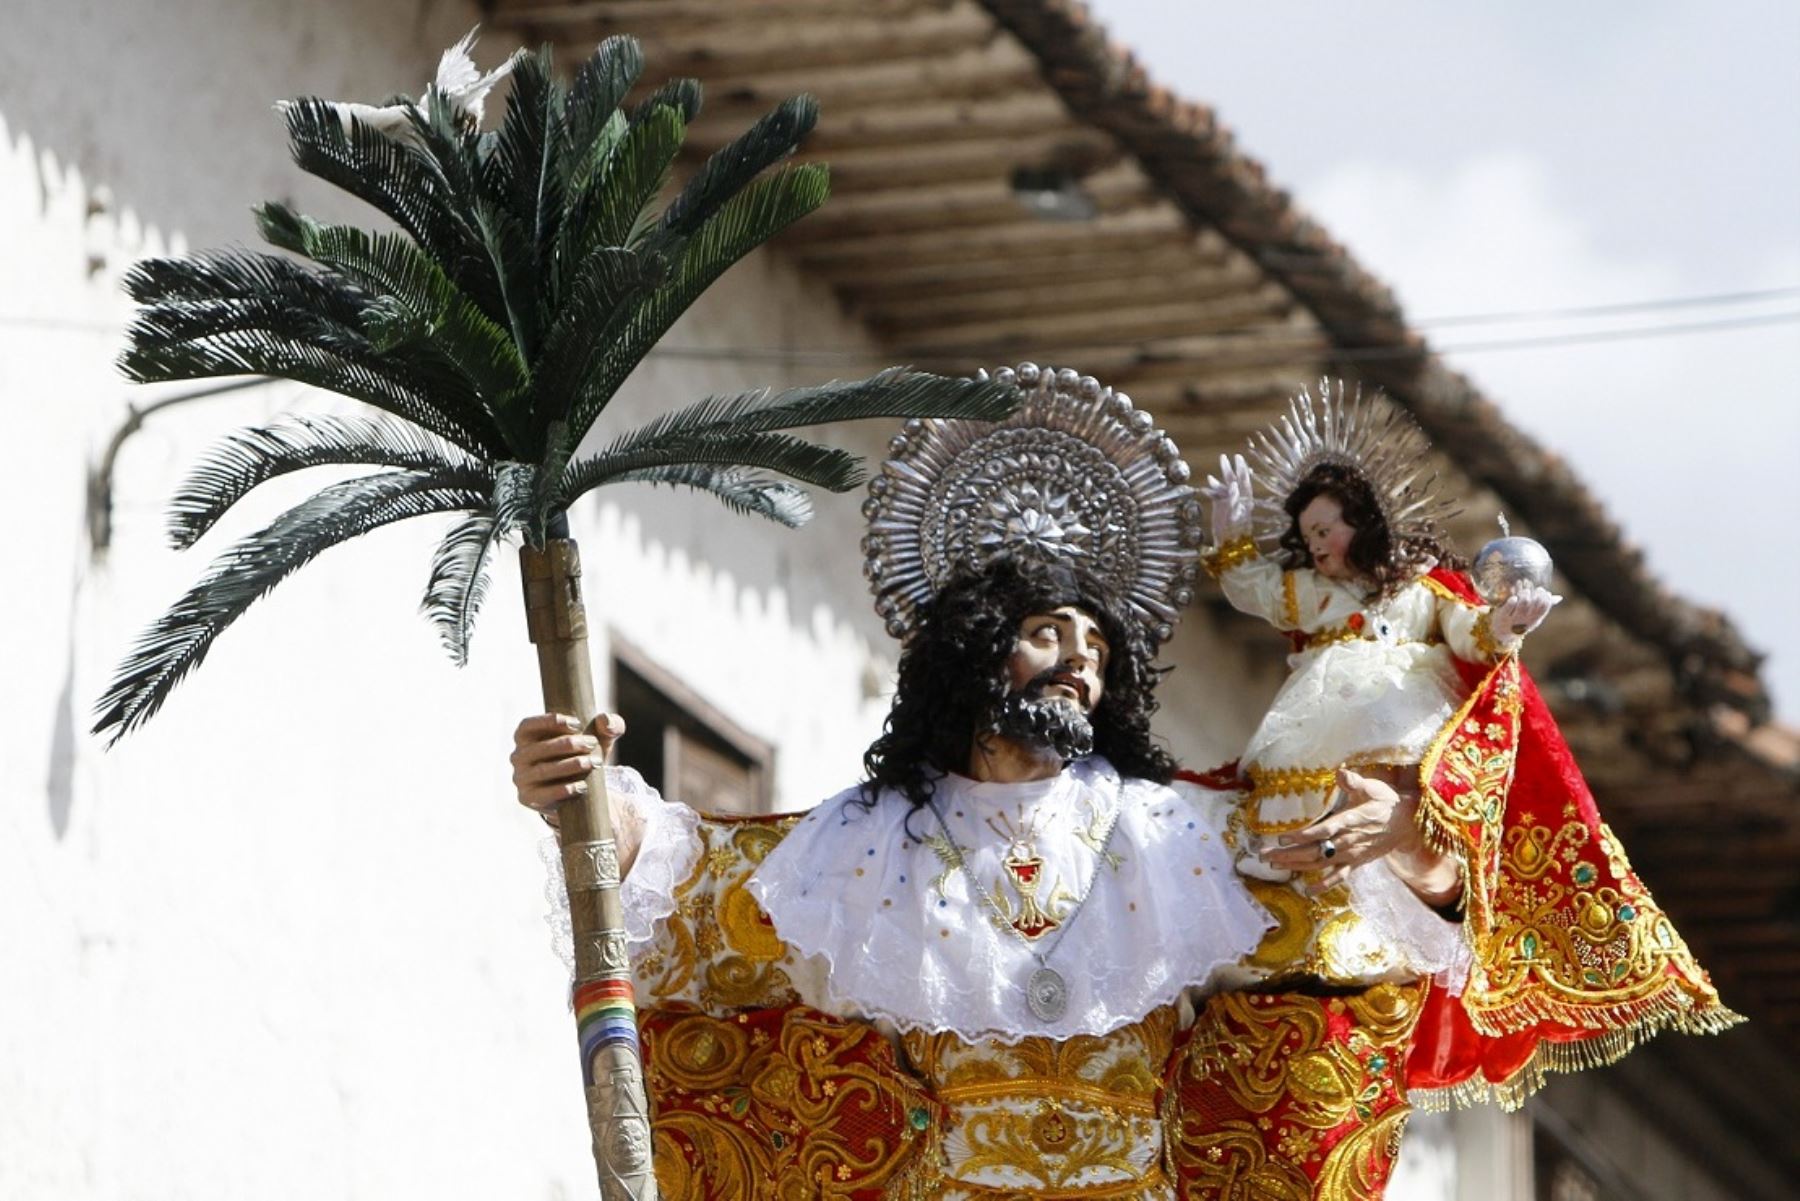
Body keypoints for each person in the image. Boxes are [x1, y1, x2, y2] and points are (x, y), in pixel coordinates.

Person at [510, 369, 1735, 1199]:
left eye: (1098, 652)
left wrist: (1412, 834)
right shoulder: (857, 849)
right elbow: (703, 896)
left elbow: (1352, 939)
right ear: (979, 653)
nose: (1079, 667)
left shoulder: (1181, 841)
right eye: (1051, 637)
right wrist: (592, 795)